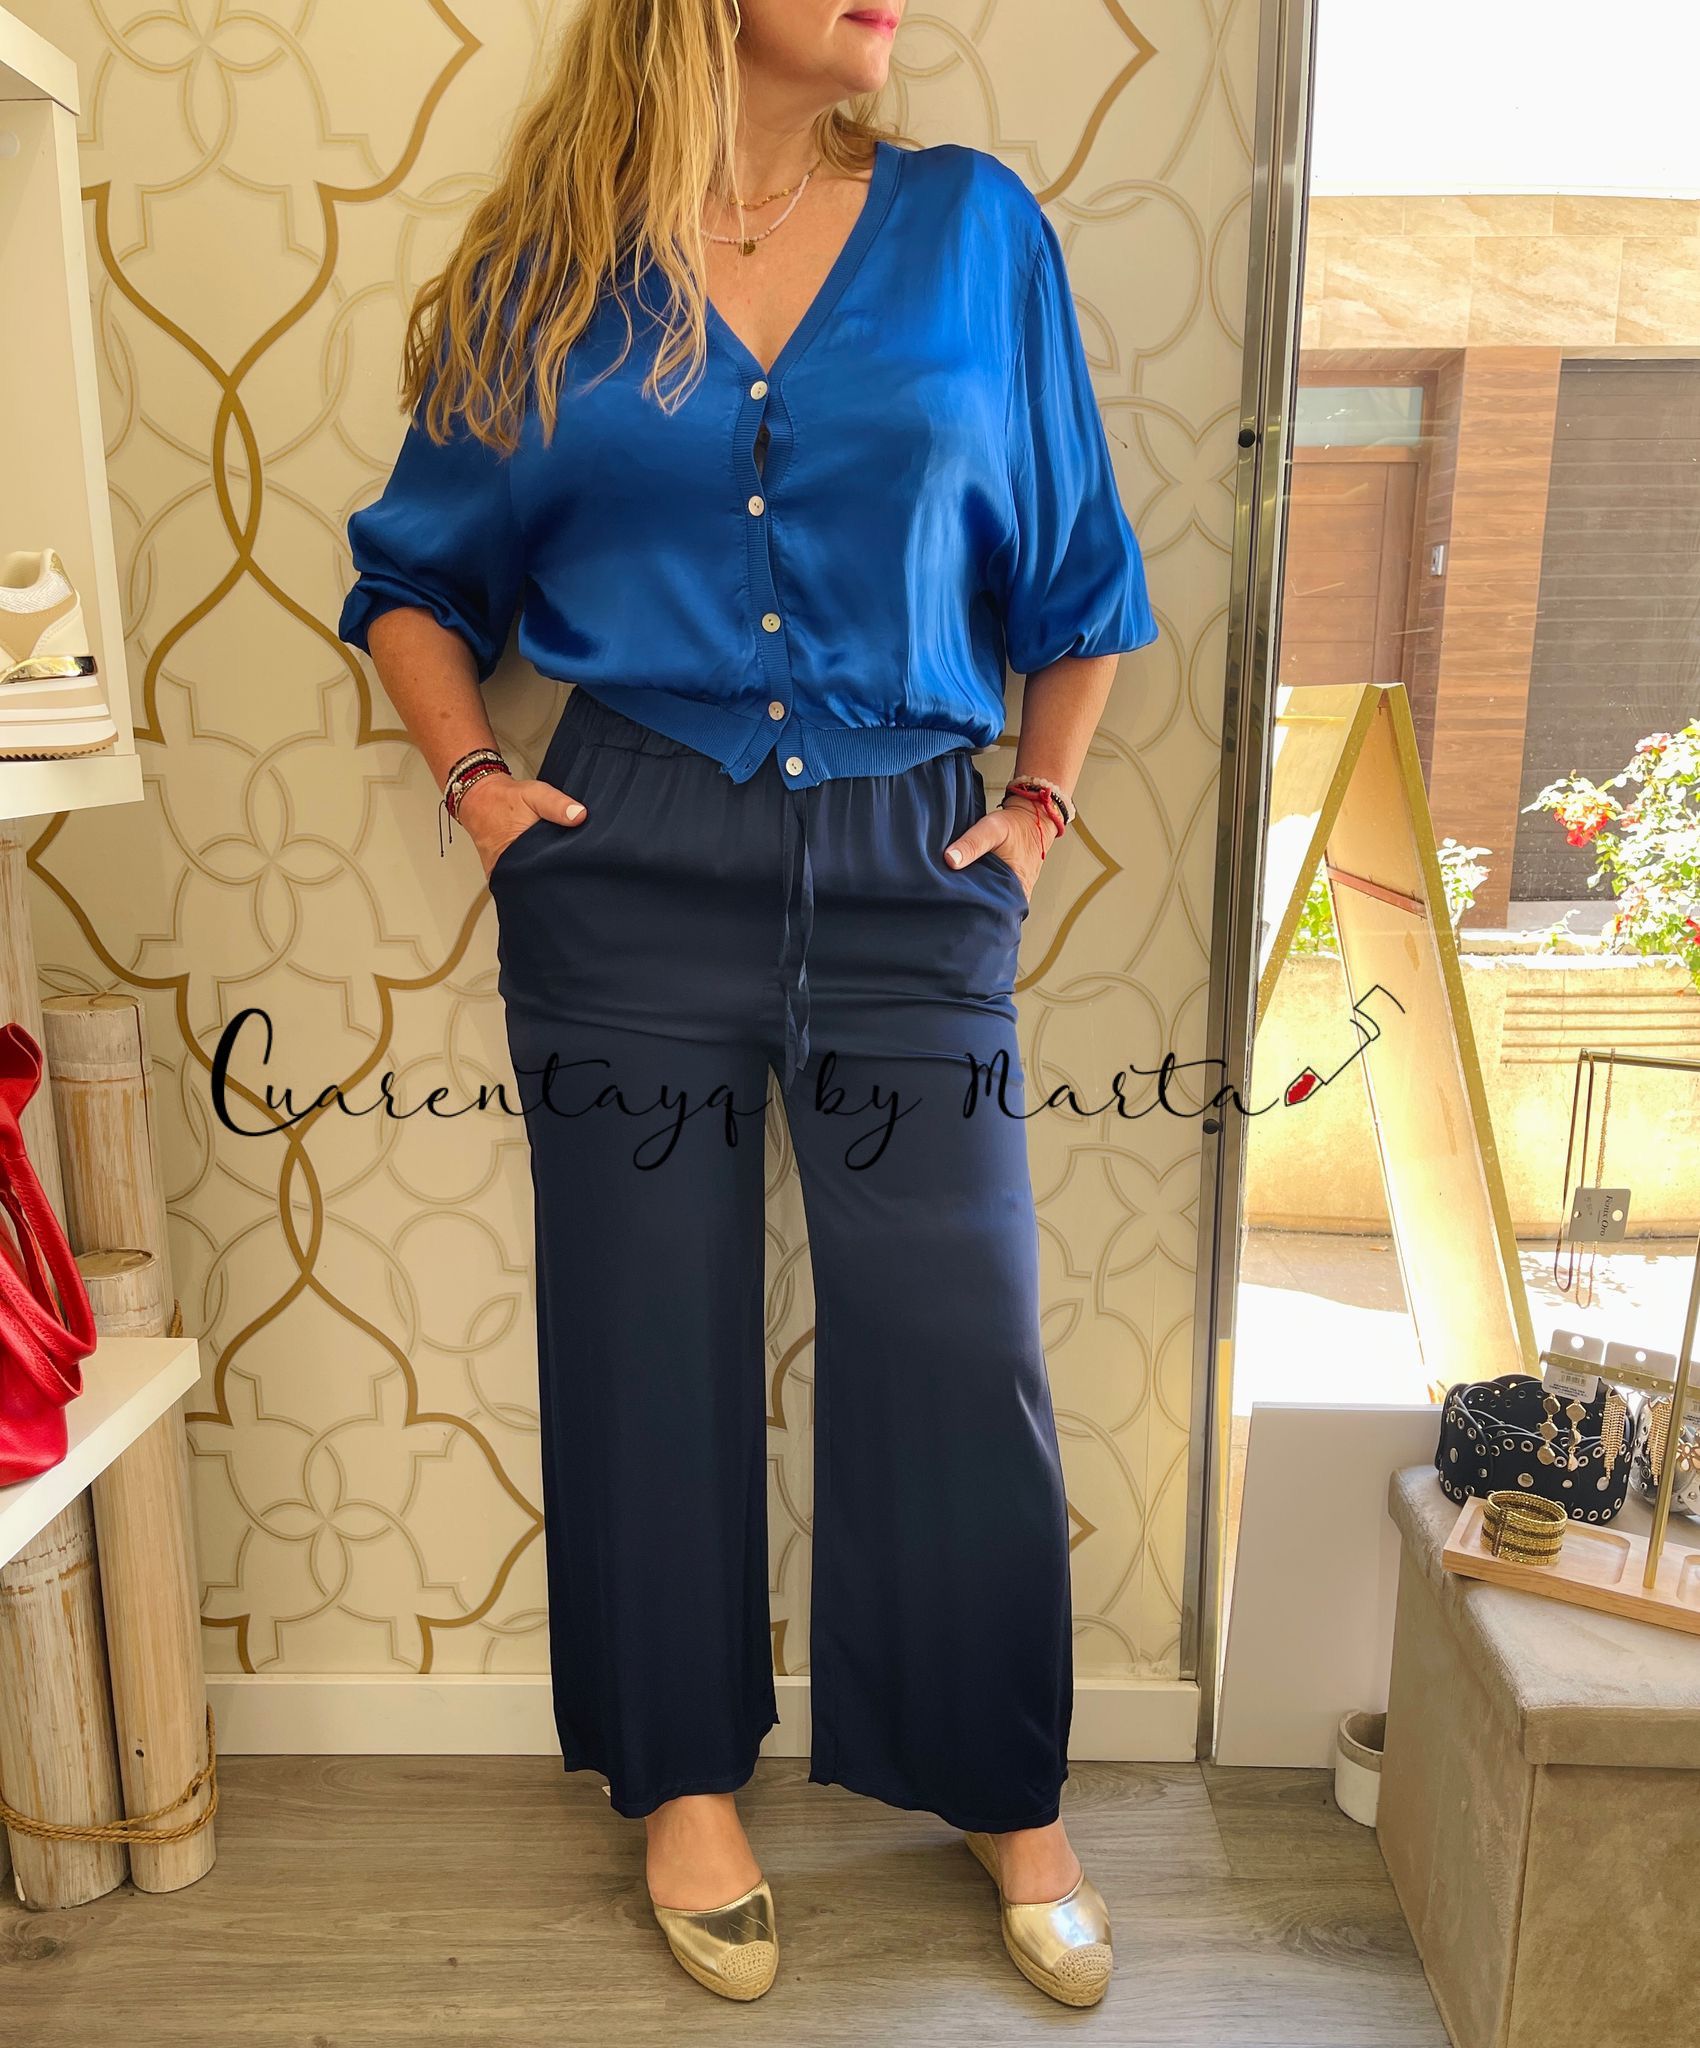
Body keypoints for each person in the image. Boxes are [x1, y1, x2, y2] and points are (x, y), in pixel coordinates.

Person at [337, 0, 1156, 2010]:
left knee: (959, 1336)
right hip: (626, 853)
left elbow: (1078, 569)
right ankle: (684, 1781)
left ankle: (1000, 1783)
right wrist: (480, 788)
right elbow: (413, 581)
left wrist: (1039, 808)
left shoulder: (974, 230)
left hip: (912, 858)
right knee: (645, 1330)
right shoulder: (544, 273)